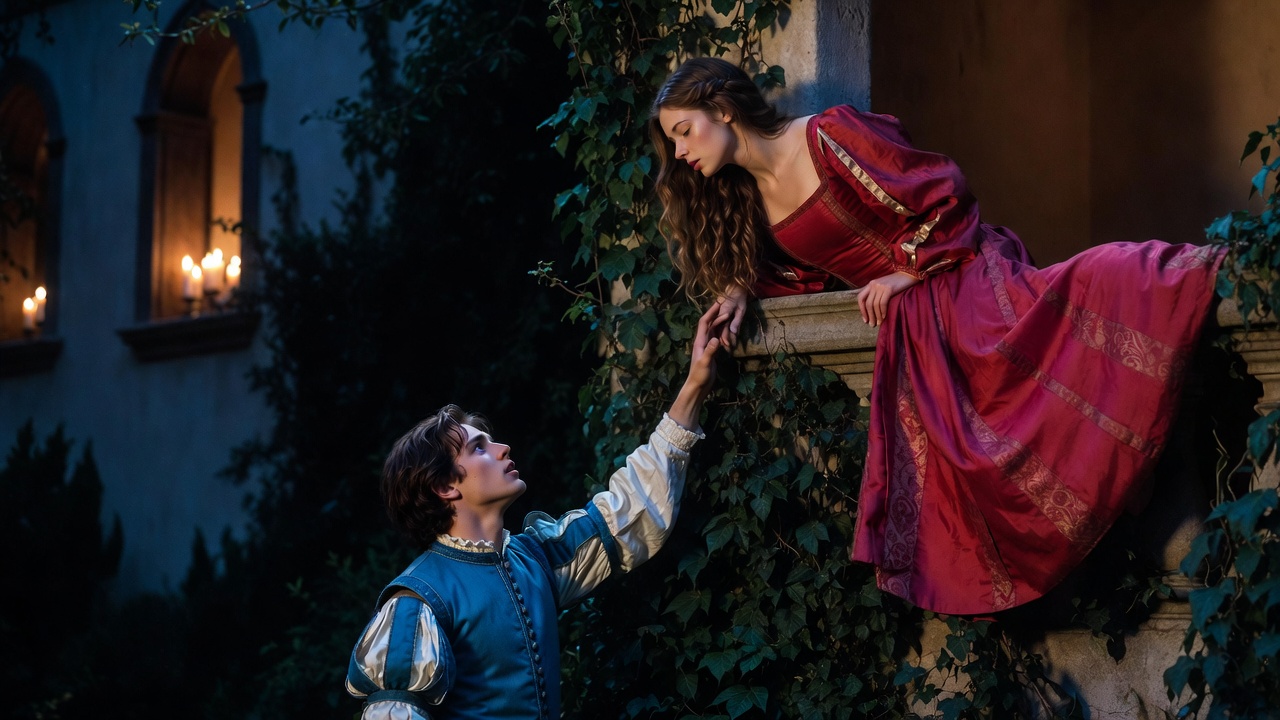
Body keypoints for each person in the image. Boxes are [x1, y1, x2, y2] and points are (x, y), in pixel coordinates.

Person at [649, 56, 1224, 615]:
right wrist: (742, 288)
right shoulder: (752, 200)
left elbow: (943, 190)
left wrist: (906, 270)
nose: (679, 151)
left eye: (683, 131)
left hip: (954, 274)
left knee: (1100, 286)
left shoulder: (826, 136)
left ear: (723, 109)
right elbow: (810, 277)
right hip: (912, 319)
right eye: (673, 140)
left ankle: (1208, 269)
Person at [343, 305, 723, 719]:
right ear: (445, 486)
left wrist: (693, 387)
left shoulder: (536, 559)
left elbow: (632, 512)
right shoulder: (418, 602)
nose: (501, 448)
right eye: (478, 448)